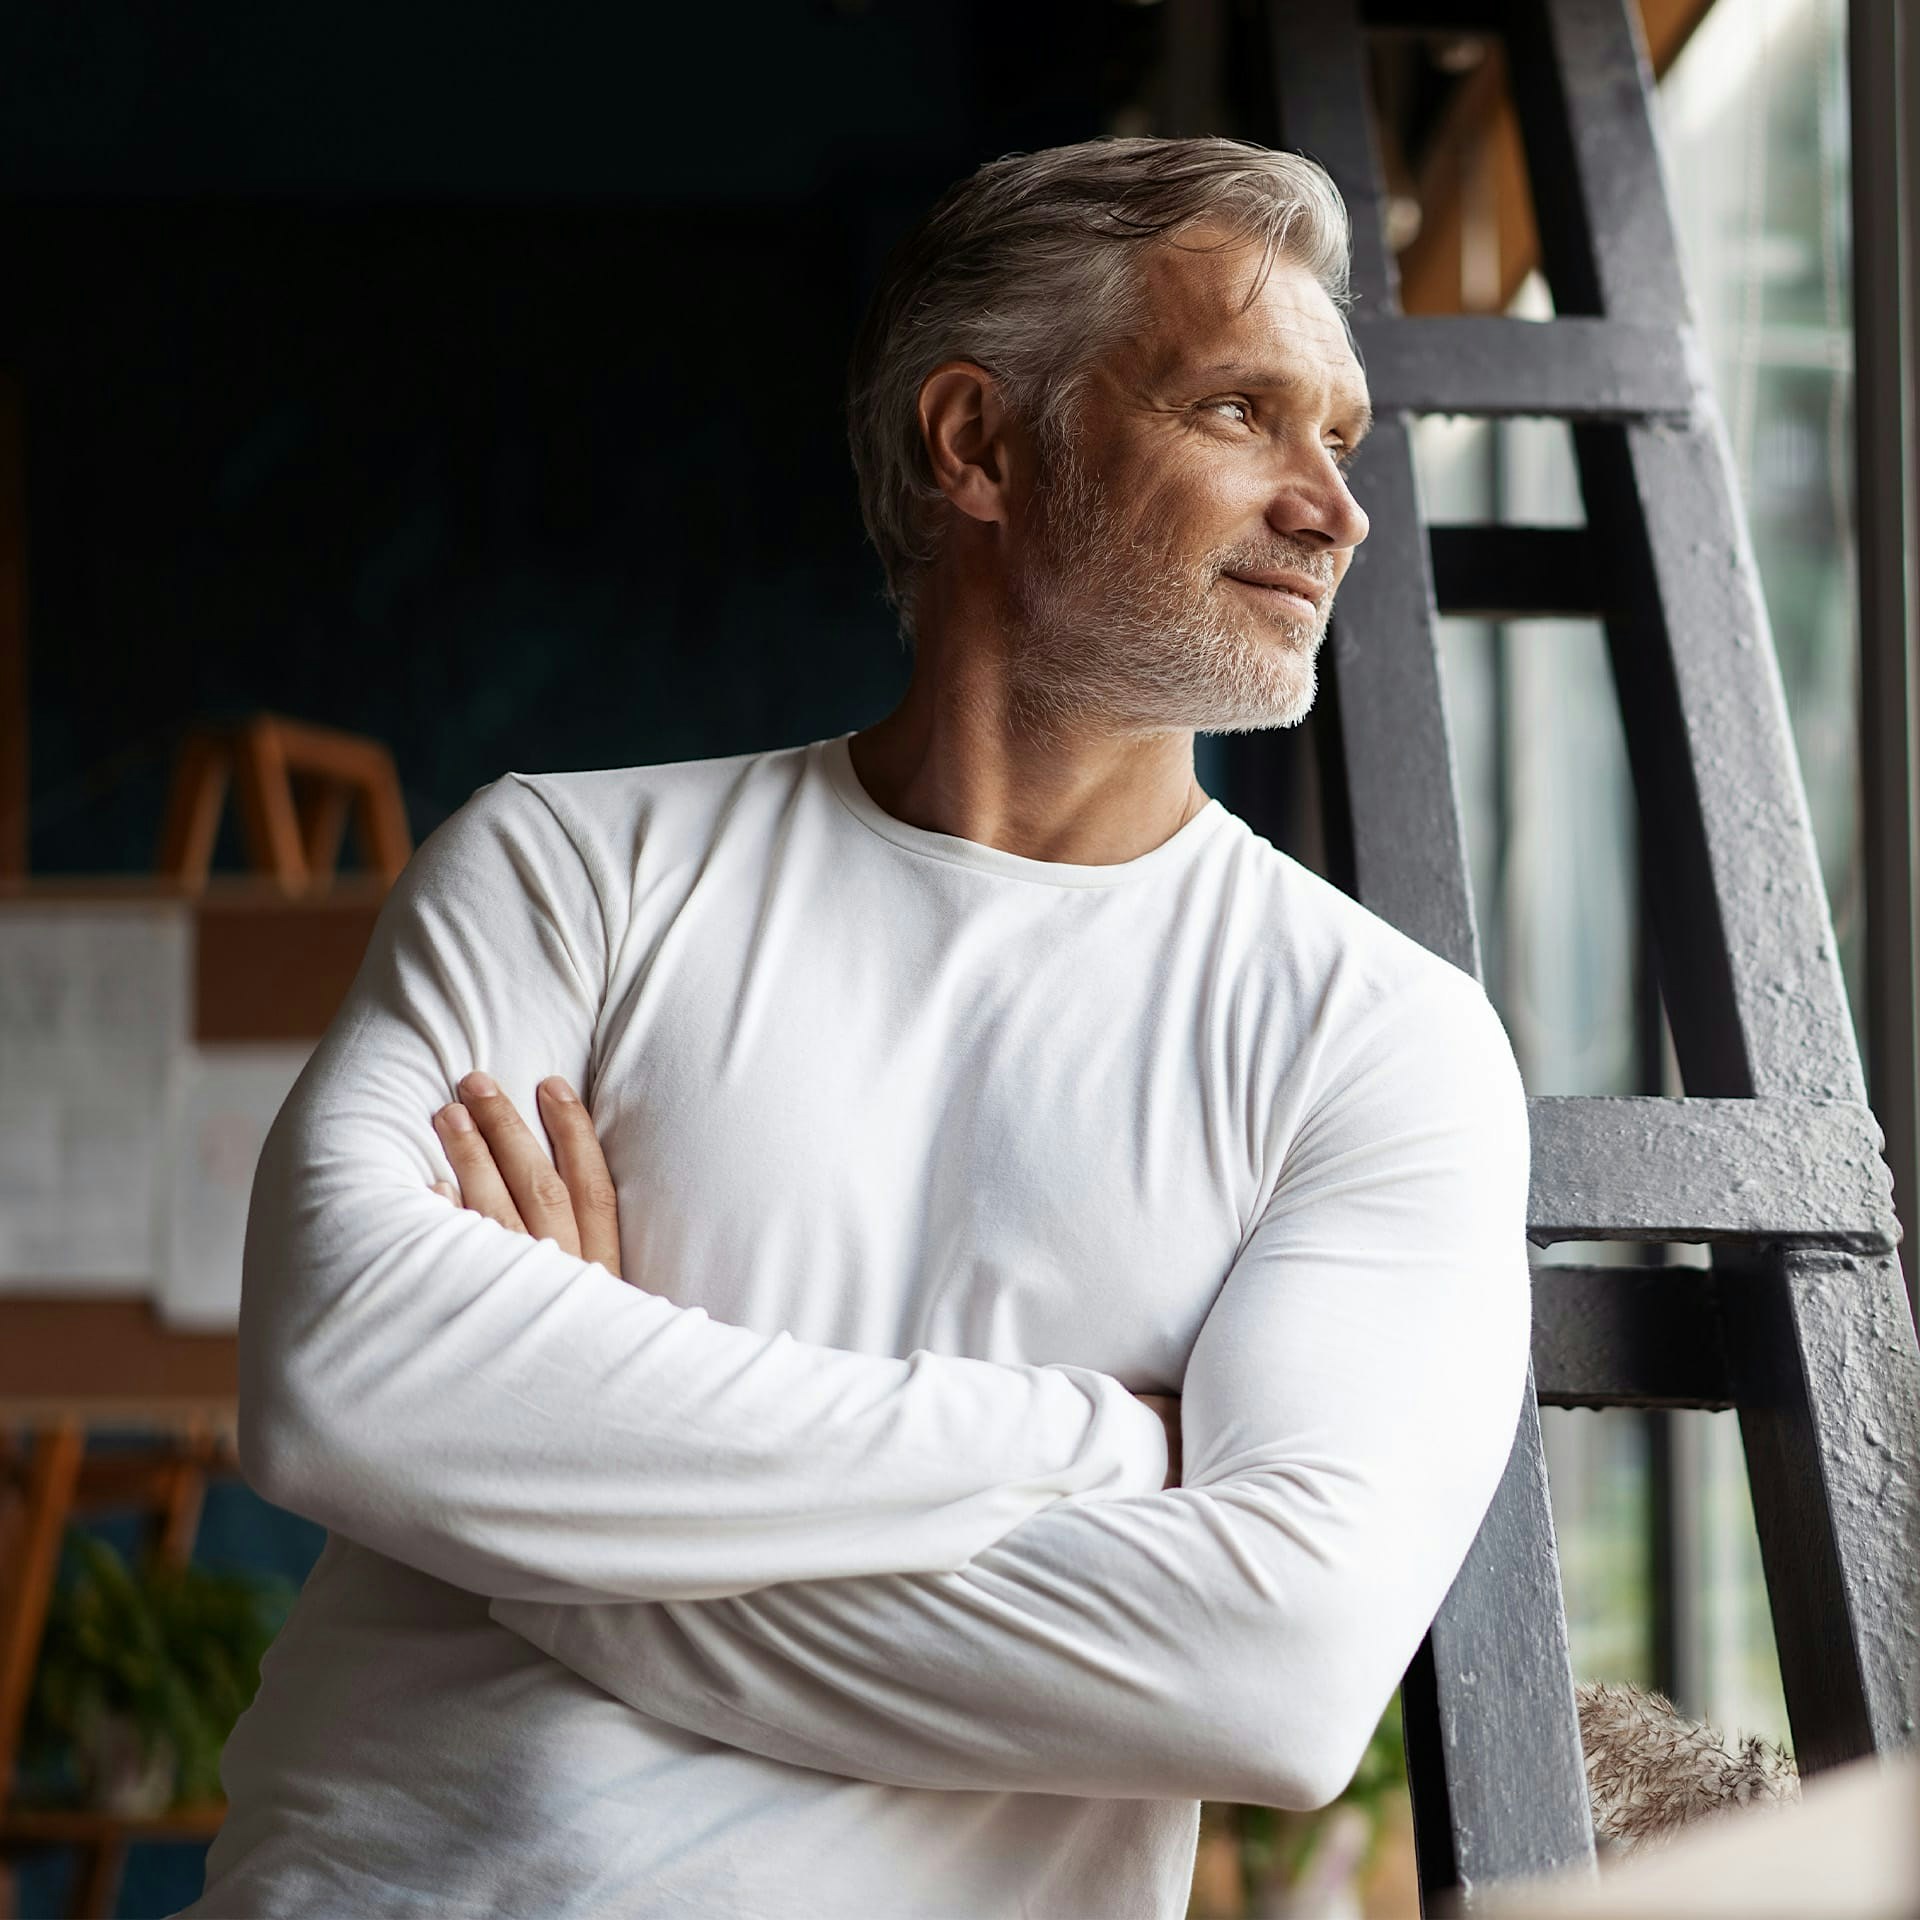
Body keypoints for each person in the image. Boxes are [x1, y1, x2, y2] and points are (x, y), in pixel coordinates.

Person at [182, 135, 1531, 1920]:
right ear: (978, 444)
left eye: (1340, 438)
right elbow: (342, 1379)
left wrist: (550, 1508)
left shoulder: (1379, 1039)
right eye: (1238, 412)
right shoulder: (568, 868)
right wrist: (1087, 1443)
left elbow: (1270, 1676)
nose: (1333, 509)